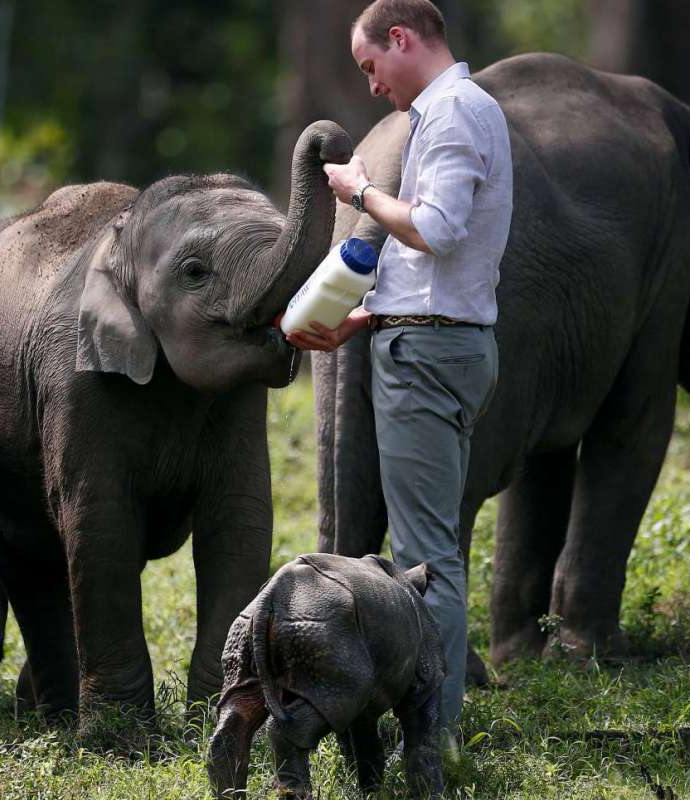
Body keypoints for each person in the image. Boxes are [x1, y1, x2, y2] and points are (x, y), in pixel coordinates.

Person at [287, 0, 512, 745]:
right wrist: (367, 315)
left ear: (402, 38)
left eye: (370, 64)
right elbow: (439, 254)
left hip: (429, 356)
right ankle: (431, 722)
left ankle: (433, 734)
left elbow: (439, 231)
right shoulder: (457, 112)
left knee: (424, 556)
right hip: (437, 339)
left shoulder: (451, 115)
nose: (373, 84)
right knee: (433, 542)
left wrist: (359, 194)